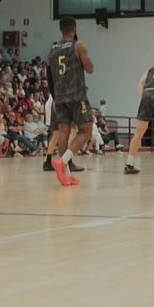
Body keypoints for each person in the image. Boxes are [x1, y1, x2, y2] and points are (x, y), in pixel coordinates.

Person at [46, 16, 94, 186]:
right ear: (74, 29)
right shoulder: (78, 46)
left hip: (59, 98)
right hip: (77, 95)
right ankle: (63, 161)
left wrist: (55, 98)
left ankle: (65, 175)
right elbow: (90, 69)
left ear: (61, 30)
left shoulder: (52, 49)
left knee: (63, 135)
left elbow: (48, 76)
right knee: (86, 132)